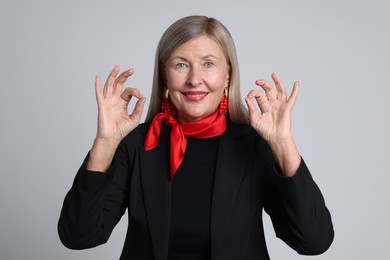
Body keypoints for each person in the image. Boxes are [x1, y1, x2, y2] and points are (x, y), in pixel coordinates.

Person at [58, 15, 334, 260]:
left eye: (209, 64)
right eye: (181, 65)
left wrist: (283, 144)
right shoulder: (135, 145)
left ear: (228, 75)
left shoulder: (255, 145)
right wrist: (105, 143)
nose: (194, 79)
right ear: (165, 75)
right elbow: (79, 236)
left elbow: (313, 241)